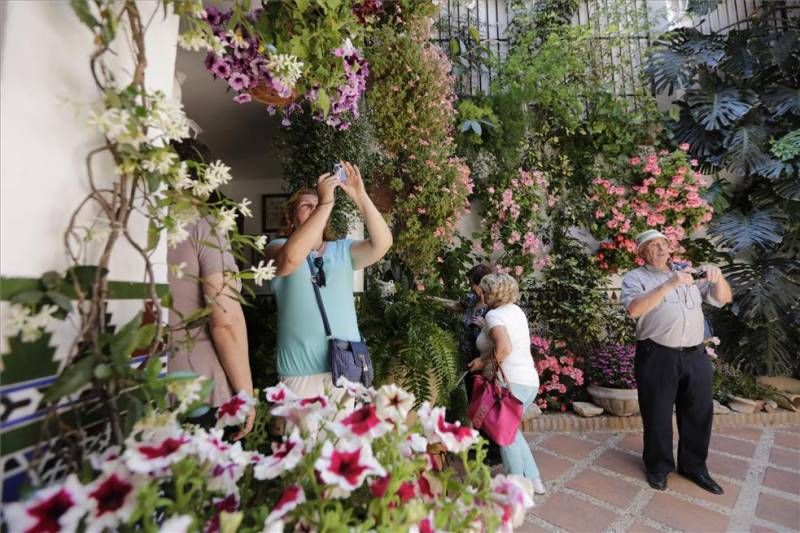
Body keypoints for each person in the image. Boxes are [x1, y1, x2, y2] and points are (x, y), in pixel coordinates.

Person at [265, 162, 392, 398]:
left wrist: (360, 195)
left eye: (317, 205)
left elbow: (383, 243)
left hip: (345, 366)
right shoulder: (277, 248)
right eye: (306, 206)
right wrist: (324, 203)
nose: (314, 209)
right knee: (302, 437)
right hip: (300, 373)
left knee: (341, 437)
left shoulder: (342, 250)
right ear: (291, 218)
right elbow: (290, 260)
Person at [621, 229, 732, 493]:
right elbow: (634, 310)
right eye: (653, 245)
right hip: (657, 354)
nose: (661, 249)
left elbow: (723, 298)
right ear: (642, 253)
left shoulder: (688, 273)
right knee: (658, 413)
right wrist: (669, 284)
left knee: (698, 412)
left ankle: (694, 467)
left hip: (696, 354)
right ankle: (658, 468)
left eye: (664, 244)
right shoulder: (635, 278)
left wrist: (717, 277)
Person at [168, 140, 255, 440]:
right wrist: (245, 394)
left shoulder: (143, 224)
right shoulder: (204, 227)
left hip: (146, 385)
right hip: (196, 387)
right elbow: (225, 320)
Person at [467, 273, 545, 495]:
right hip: (528, 381)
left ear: (492, 292)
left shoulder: (494, 315)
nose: (480, 293)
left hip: (509, 384)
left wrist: (481, 362)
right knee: (512, 431)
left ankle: (516, 487)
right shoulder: (516, 311)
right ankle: (534, 480)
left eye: (484, 290)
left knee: (505, 435)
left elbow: (504, 348)